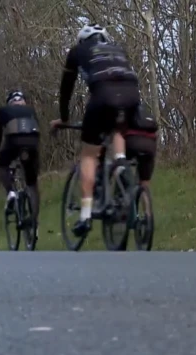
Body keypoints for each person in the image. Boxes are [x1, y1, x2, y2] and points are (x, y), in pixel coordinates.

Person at [50, 23, 141, 237]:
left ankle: (86, 216)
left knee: (89, 155)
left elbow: (66, 89)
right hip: (131, 96)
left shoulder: (77, 51)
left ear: (82, 40)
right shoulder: (118, 49)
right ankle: (120, 163)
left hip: (102, 97)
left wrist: (63, 118)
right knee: (118, 126)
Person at [0, 90, 41, 235]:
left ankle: (11, 193)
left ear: (10, 102)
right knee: (32, 184)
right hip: (32, 143)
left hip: (13, 141)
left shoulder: (4, 110)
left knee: (3, 166)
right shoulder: (31, 110)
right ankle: (34, 221)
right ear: (23, 101)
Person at [123, 102, 158, 188]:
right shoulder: (147, 118)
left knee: (121, 163)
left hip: (131, 144)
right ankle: (145, 197)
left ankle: (122, 191)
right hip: (150, 147)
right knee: (144, 182)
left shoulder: (126, 116)